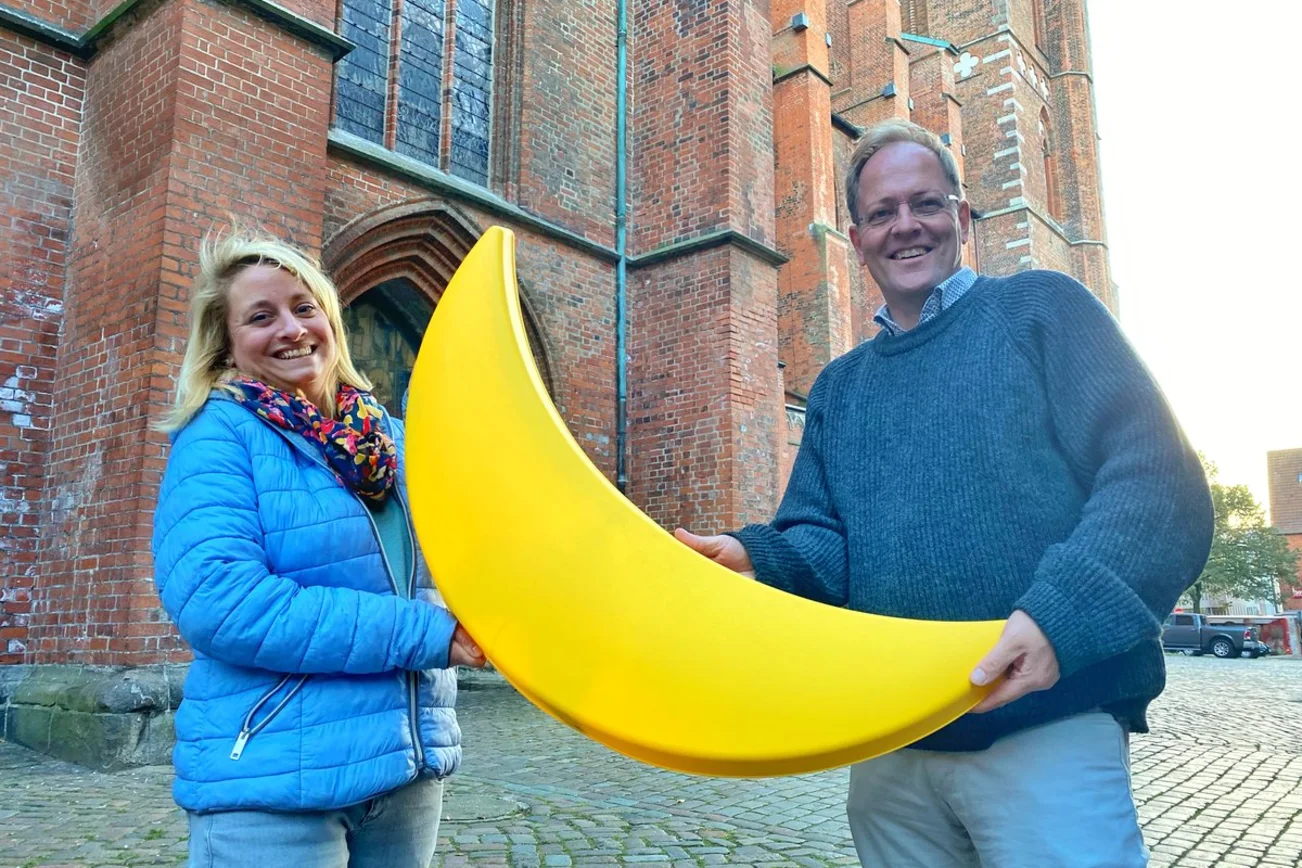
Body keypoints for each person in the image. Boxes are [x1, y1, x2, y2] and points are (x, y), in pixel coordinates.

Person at [675, 119, 1213, 867]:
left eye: (925, 203)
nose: (906, 226)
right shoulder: (841, 386)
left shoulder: (1043, 311)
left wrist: (1060, 620)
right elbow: (824, 539)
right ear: (857, 238)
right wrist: (755, 557)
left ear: (962, 218)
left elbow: (1158, 478)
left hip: (1046, 724)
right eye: (882, 212)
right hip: (891, 743)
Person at [151, 227, 485, 867]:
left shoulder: (395, 441)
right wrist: (429, 633)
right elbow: (220, 601)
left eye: (305, 307)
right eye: (260, 316)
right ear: (227, 343)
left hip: (403, 769)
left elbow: (482, 550)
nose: (291, 328)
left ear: (330, 318)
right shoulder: (219, 434)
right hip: (274, 782)